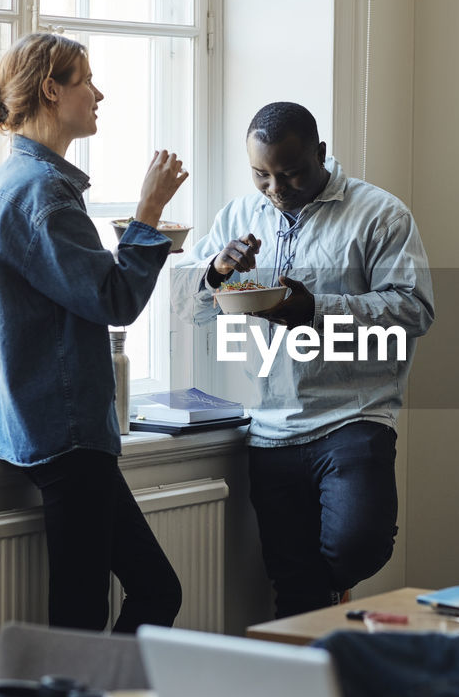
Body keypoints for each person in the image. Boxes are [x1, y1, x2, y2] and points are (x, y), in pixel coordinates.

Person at [172, 101, 434, 618]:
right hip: (268, 425)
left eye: (290, 173)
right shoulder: (239, 216)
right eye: (261, 175)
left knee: (358, 545)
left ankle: (329, 613)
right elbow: (187, 309)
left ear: (320, 153)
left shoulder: (380, 214)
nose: (275, 189)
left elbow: (414, 310)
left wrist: (314, 307)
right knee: (292, 590)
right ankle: (317, 687)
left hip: (354, 415)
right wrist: (215, 272)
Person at [0, 31, 188, 633]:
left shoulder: (6, 182)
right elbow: (114, 300)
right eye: (86, 80)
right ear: (50, 89)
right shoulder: (44, 194)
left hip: (36, 427)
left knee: (143, 594)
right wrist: (148, 215)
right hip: (66, 435)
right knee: (88, 617)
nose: (99, 93)